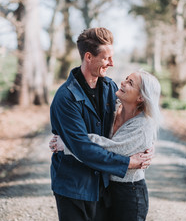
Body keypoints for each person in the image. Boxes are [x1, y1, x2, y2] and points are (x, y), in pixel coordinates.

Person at [50, 27, 153, 221]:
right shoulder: (65, 98)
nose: (112, 64)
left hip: (104, 187)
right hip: (74, 189)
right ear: (89, 57)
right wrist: (128, 163)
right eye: (107, 58)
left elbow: (133, 117)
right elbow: (83, 148)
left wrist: (148, 146)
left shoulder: (109, 87)